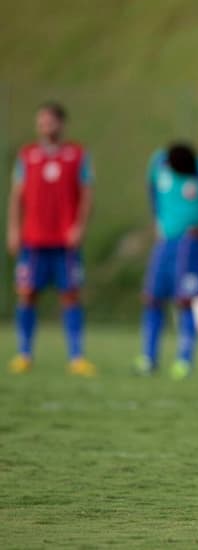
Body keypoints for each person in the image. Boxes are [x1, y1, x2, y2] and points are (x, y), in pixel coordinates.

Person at [135, 142, 198, 380]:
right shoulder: (159, 162)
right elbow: (151, 186)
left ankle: (184, 361)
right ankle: (148, 359)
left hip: (189, 245)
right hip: (164, 243)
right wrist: (157, 217)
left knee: (184, 301)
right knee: (152, 299)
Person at [6, 102, 95, 376]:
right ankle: (24, 353)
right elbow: (16, 196)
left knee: (70, 296)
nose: (45, 127)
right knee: (26, 295)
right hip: (33, 239)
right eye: (41, 122)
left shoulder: (78, 155)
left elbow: (87, 194)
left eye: (49, 122)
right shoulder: (27, 155)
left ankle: (76, 357)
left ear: (61, 124)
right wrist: (13, 229)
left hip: (65, 242)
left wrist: (79, 226)